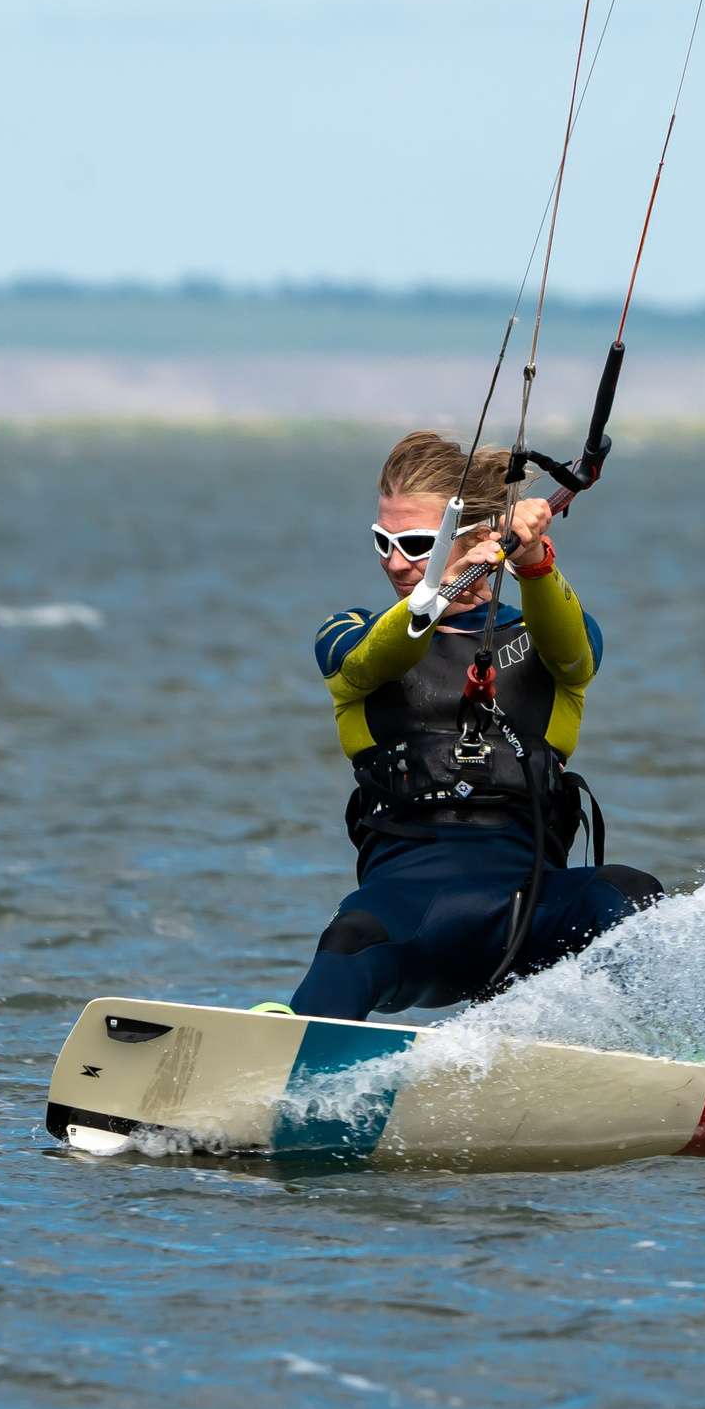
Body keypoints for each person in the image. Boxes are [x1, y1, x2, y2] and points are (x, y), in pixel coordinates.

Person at [283, 431, 661, 1020]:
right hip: (408, 914)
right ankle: (290, 1069)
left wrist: (534, 560)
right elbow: (377, 658)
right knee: (349, 938)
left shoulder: (548, 634)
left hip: (529, 909)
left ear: (477, 537)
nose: (393, 561)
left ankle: (667, 1063)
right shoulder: (348, 634)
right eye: (382, 542)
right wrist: (436, 591)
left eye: (413, 543)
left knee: (630, 896)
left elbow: (574, 656)